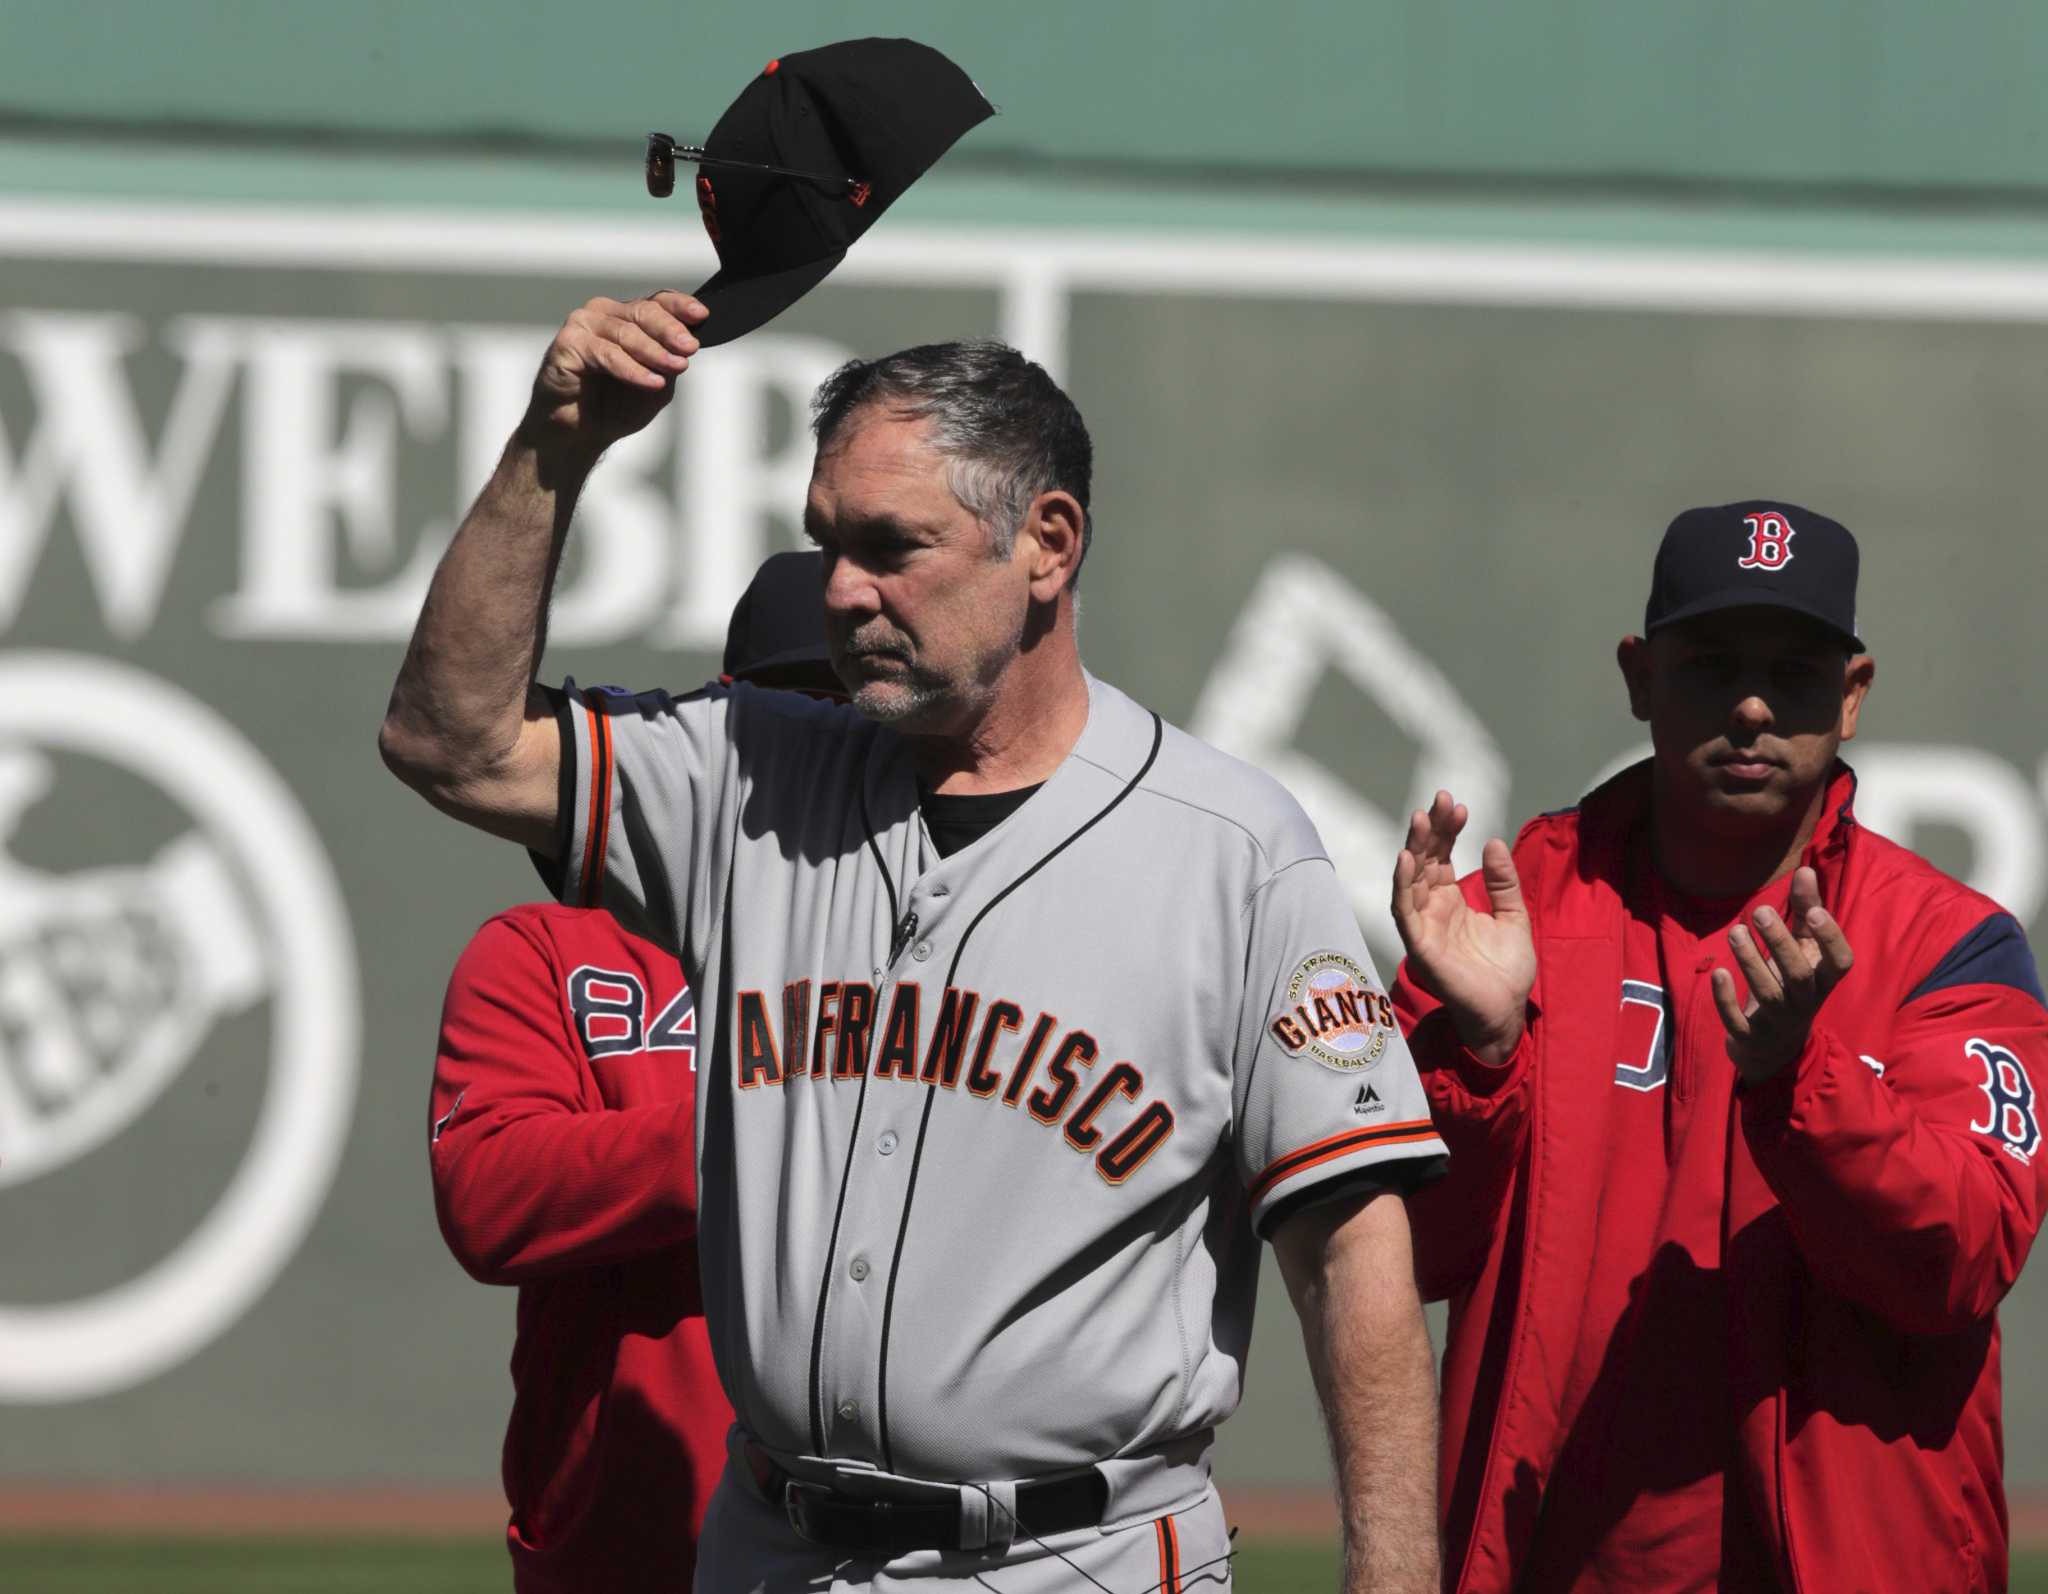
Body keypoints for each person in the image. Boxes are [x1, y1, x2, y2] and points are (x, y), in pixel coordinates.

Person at [380, 289, 1449, 1592]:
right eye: (827, 542)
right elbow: (451, 738)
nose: (842, 590)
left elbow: (1353, 1254)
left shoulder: (1230, 848)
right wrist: (556, 447)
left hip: (1078, 1554)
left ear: (1047, 544)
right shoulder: (747, 774)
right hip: (774, 1548)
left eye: (892, 547)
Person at [1390, 501, 2047, 1594]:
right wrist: (1482, 1052)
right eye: (1708, 665)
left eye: (1791, 671)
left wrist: (1803, 1085)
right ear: (1639, 675)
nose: (1749, 705)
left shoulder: (1949, 945)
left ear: (1850, 694)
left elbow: (1959, 1260)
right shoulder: (1506, 925)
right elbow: (1399, 1251)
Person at [428, 552, 844, 1594]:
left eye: (844, 707)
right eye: (792, 704)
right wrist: (762, 1128)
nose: (821, 737)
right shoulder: (550, 948)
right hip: (625, 1543)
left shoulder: (949, 951)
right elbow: (488, 1195)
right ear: (731, 721)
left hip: (885, 1538)